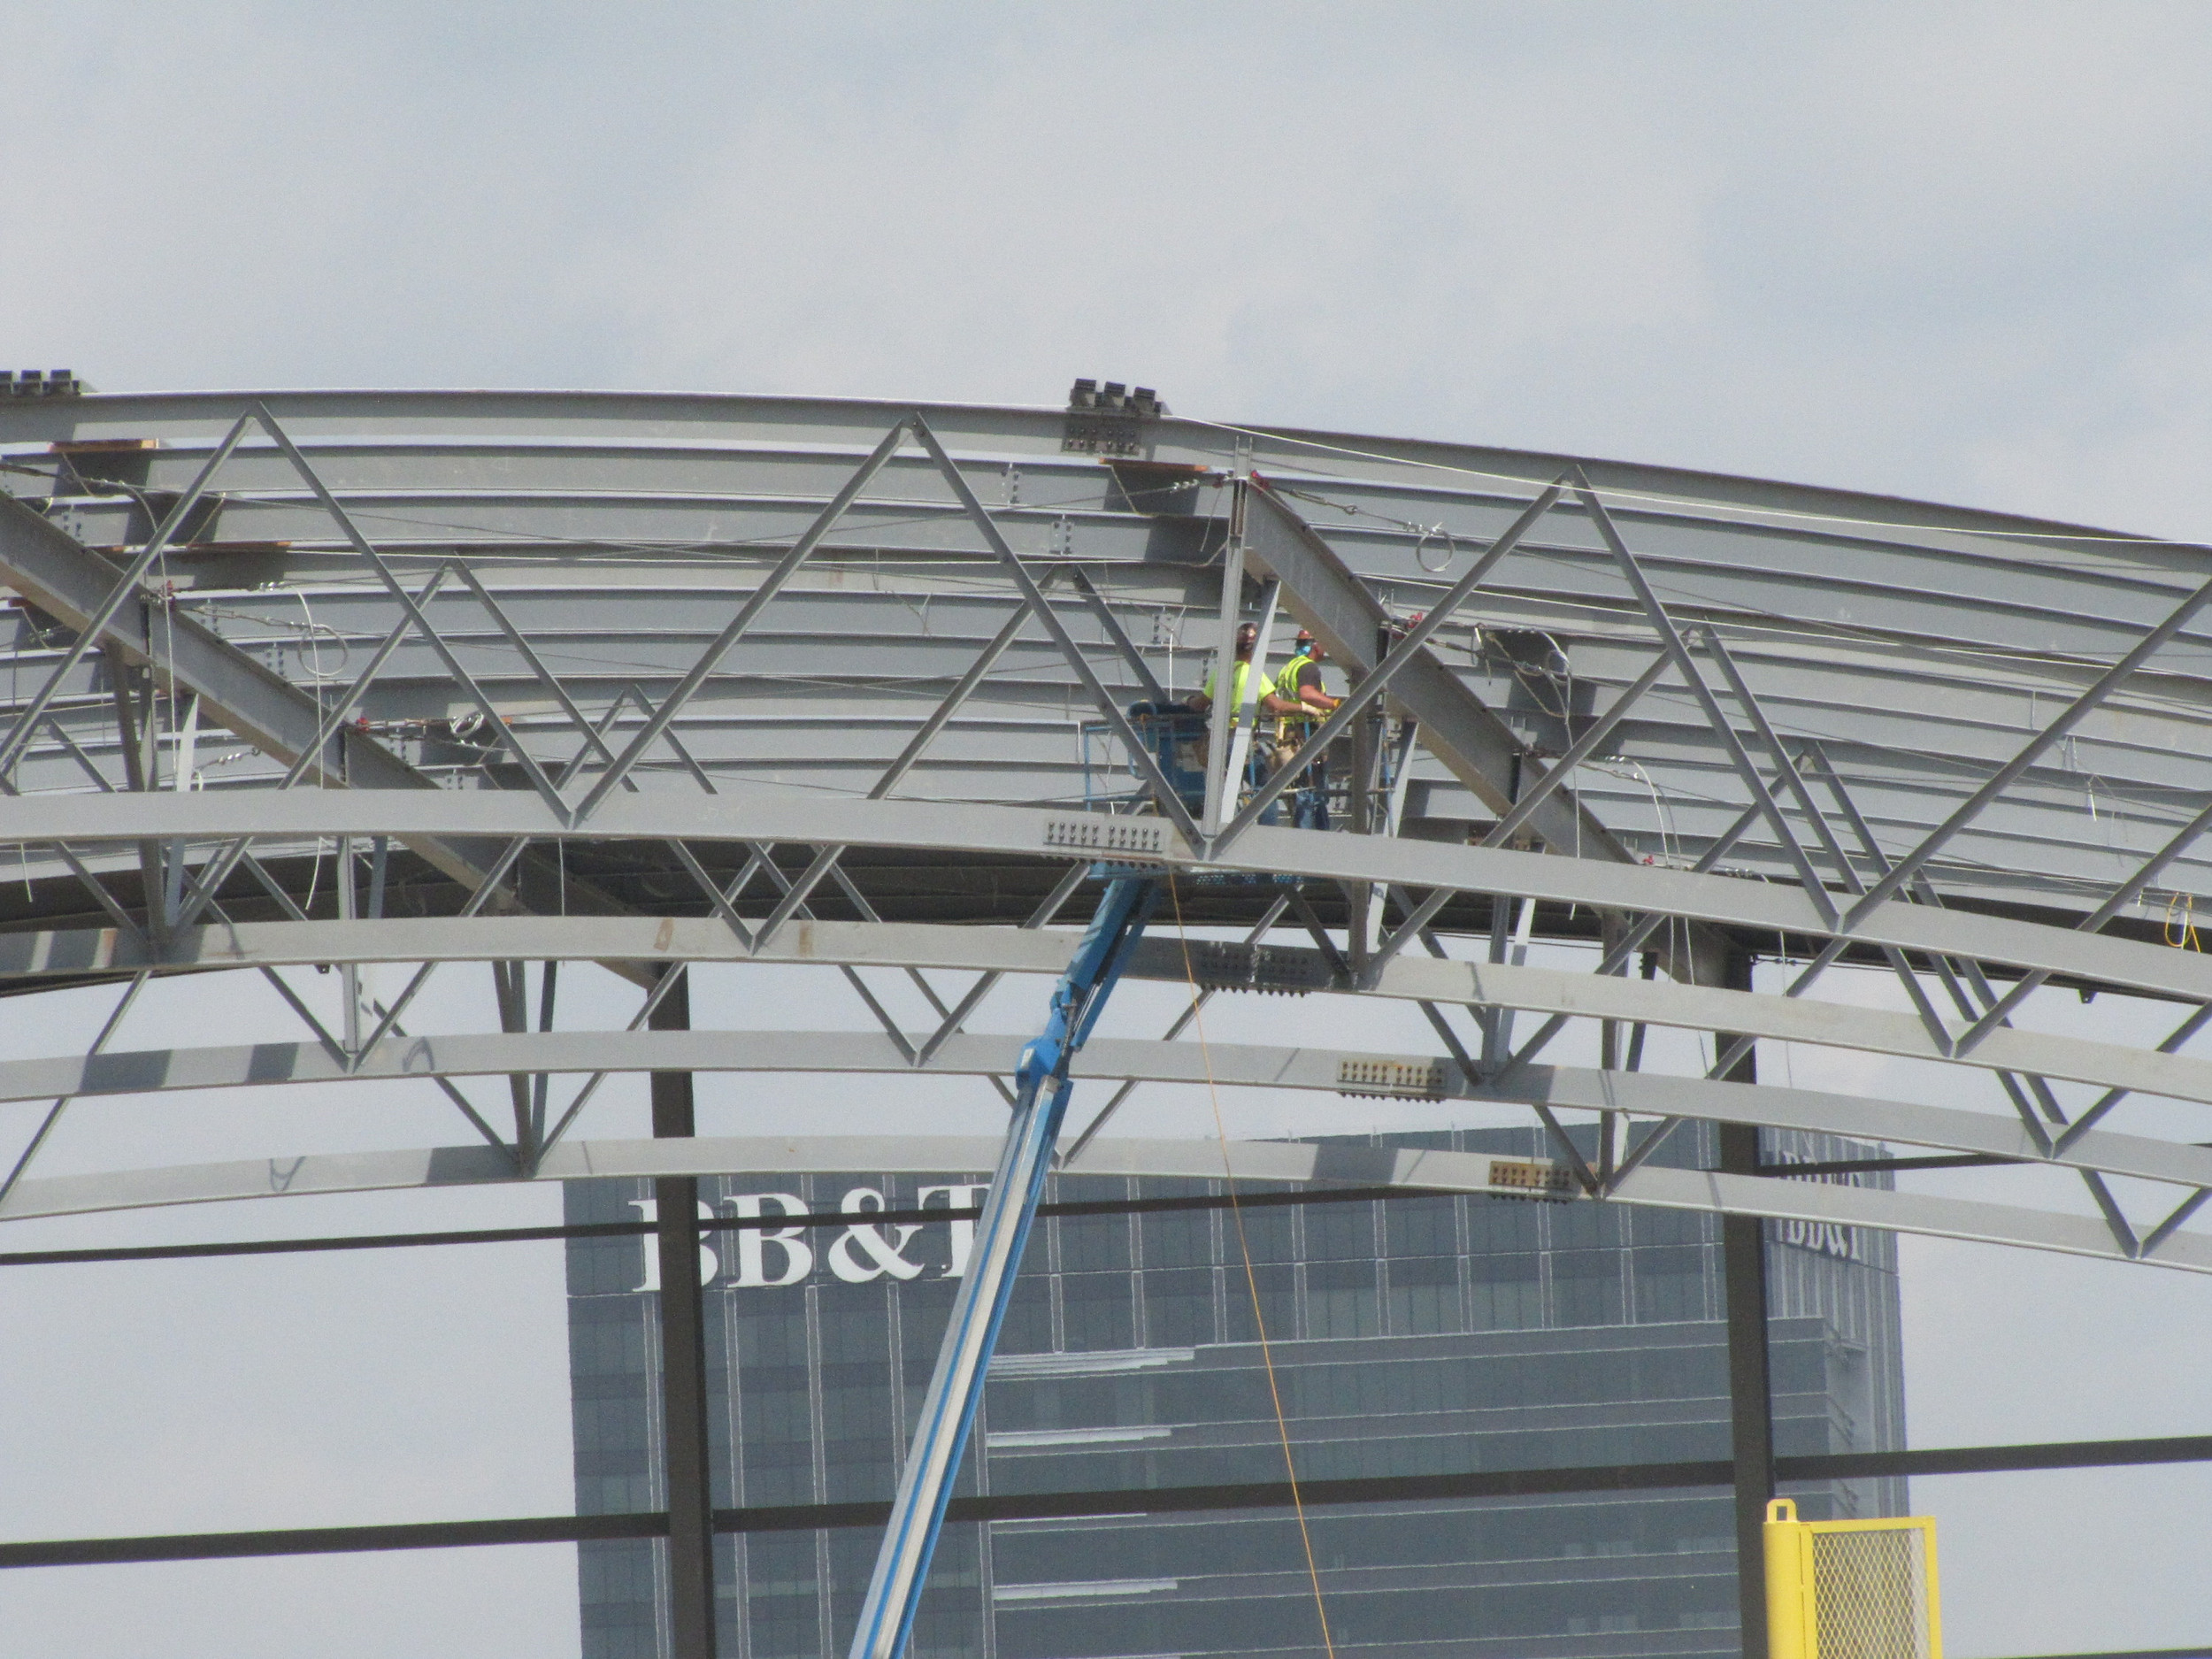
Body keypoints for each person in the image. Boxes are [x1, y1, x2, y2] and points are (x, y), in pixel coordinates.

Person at [1188, 622, 1301, 724]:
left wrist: (1188, 700)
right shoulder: (1255, 675)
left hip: (1220, 735)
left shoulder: (1220, 673)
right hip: (1243, 735)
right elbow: (1276, 706)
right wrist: (1304, 708)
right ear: (1257, 649)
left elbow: (1200, 704)